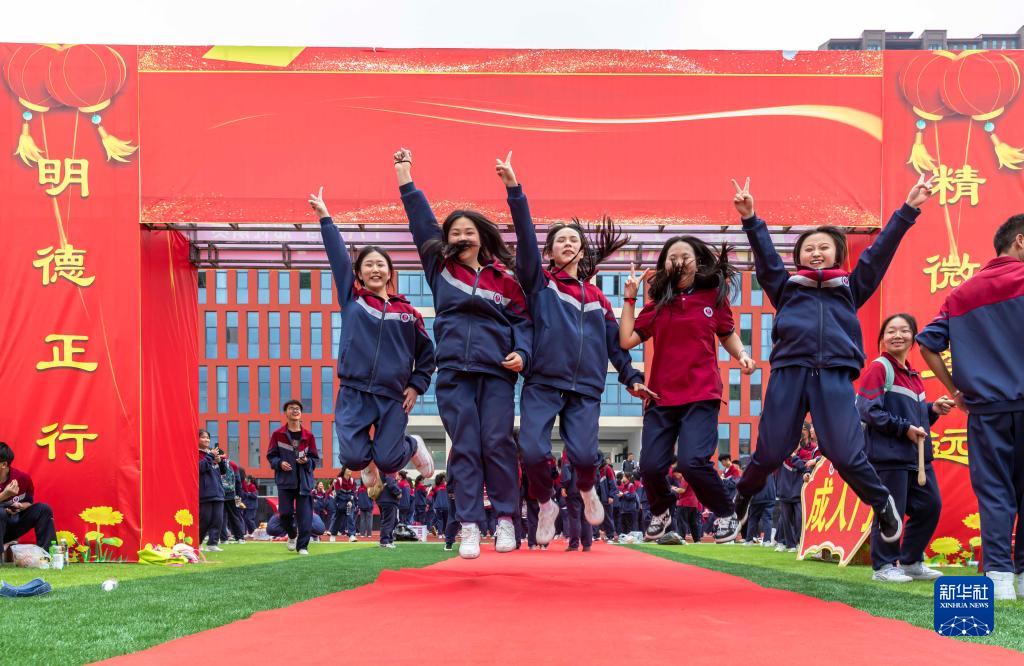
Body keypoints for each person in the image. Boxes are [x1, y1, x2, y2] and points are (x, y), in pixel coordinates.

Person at [724, 175, 936, 543]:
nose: (816, 253)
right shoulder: (786, 288)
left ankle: (881, 502)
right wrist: (750, 219)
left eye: (824, 247)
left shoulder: (850, 288)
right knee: (771, 451)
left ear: (837, 254)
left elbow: (878, 254)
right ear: (799, 258)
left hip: (834, 376)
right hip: (790, 372)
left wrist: (908, 210)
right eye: (808, 248)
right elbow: (767, 261)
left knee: (845, 453)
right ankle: (742, 496)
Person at [497, 152, 651, 546]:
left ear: (582, 252)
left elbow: (615, 344)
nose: (568, 244)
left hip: (585, 388)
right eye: (560, 240)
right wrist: (515, 190)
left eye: (573, 240)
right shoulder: (541, 284)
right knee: (532, 451)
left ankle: (586, 489)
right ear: (550, 252)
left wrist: (631, 377)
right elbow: (525, 239)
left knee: (584, 457)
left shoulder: (598, 299)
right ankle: (545, 502)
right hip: (543, 382)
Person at [396, 148, 532, 559]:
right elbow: (421, 224)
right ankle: (470, 525)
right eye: (454, 232)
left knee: (497, 444)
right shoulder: (440, 268)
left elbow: (524, 322)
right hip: (454, 371)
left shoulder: (505, 280)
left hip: (497, 373)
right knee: (466, 446)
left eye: (469, 232)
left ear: (481, 238)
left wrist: (522, 353)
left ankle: (505, 519)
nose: (461, 238)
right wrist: (405, 178)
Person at [620, 235, 754, 543]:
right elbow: (626, 340)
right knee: (650, 466)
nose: (678, 261)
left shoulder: (712, 298)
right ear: (664, 265)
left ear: (698, 262)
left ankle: (726, 513)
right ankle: (661, 511)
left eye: (685, 256)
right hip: (661, 397)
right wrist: (629, 298)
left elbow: (727, 334)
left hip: (700, 394)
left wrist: (743, 355)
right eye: (671, 257)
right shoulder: (657, 306)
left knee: (693, 462)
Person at [917, 215, 1024, 599]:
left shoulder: (961, 294)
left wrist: (955, 391)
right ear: (1021, 241)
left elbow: (927, 344)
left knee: (995, 492)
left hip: (987, 411)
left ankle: (999, 578)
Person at [311, 186, 437, 501]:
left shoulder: (408, 313)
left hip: (392, 395)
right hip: (354, 391)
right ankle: (366, 463)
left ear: (390, 272)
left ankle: (413, 445)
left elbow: (427, 356)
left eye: (381, 264)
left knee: (390, 460)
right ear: (359, 273)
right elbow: (338, 260)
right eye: (368, 265)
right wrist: (326, 219)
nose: (375, 269)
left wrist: (416, 386)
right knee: (353, 458)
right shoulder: (353, 300)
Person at [859, 313, 953, 583]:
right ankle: (884, 566)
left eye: (904, 331)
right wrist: (904, 429)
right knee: (891, 512)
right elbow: (868, 410)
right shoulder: (879, 368)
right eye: (891, 331)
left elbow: (915, 417)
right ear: (882, 338)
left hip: (917, 458)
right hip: (889, 457)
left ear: (913, 337)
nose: (897, 336)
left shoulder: (913, 375)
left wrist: (932, 410)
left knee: (930, 506)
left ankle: (911, 561)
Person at [266, 400, 321, 555]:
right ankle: (291, 534)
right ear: (286, 413)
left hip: (304, 482)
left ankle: (303, 546)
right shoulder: (278, 434)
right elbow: (271, 456)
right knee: (284, 513)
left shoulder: (309, 436)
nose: (295, 411)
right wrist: (279, 463)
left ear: (301, 413)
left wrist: (307, 461)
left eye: (297, 409)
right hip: (285, 481)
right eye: (291, 408)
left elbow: (315, 459)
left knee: (305, 516)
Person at [0, 442, 57, 555]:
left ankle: (47, 555)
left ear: (4, 464)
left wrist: (20, 506)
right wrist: (4, 495)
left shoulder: (22, 479)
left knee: (43, 509)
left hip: (11, 525)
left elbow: (29, 502)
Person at [197, 429, 225, 552]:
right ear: (197, 439)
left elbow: (223, 471)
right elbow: (200, 468)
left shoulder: (211, 453)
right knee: (205, 519)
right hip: (205, 493)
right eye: (203, 437)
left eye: (208, 437)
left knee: (218, 519)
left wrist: (220, 462)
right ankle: (197, 543)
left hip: (218, 491)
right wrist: (210, 456)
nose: (206, 440)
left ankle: (212, 544)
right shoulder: (196, 454)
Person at [560, 453, 593, 552]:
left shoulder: (568, 454)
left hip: (574, 489)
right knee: (586, 518)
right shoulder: (588, 453)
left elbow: (566, 472)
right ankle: (587, 545)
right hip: (587, 489)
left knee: (574, 518)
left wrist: (564, 486)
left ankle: (574, 545)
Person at [220, 458, 246, 544]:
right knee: (235, 516)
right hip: (232, 495)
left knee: (222, 517)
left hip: (220, 494)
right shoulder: (232, 464)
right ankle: (240, 538)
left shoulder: (215, 463)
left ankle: (224, 538)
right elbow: (238, 481)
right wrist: (238, 497)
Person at [673, 472, 702, 544]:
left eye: (677, 473)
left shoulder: (685, 477)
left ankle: (681, 538)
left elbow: (682, 490)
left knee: (681, 522)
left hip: (684, 503)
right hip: (694, 503)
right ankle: (697, 540)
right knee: (693, 523)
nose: (676, 476)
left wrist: (674, 489)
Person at [376, 473, 402, 549]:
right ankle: (384, 541)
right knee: (389, 521)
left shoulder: (381, 471)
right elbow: (391, 482)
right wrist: (398, 492)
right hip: (388, 500)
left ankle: (389, 540)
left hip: (383, 499)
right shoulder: (389, 471)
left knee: (390, 521)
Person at [330, 471, 357, 542]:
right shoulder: (338, 480)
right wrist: (347, 499)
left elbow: (353, 492)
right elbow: (338, 493)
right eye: (348, 469)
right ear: (344, 470)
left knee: (350, 518)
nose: (350, 470)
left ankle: (351, 535)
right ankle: (333, 534)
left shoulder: (352, 480)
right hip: (340, 503)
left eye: (350, 469)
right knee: (337, 519)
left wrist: (350, 501)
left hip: (349, 503)